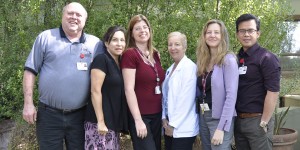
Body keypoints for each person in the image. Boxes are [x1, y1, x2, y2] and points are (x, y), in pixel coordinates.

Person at [22, 2, 101, 149]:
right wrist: (28, 103)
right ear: (62, 16)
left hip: (81, 116)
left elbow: (108, 74)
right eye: (70, 13)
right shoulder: (46, 37)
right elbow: (30, 70)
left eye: (79, 15)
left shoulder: (95, 44)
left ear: (85, 19)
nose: (74, 17)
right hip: (49, 116)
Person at [234, 14, 281, 150]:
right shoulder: (236, 59)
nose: (246, 34)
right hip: (239, 121)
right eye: (242, 31)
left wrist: (264, 122)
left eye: (251, 30)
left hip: (258, 121)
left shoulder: (267, 58)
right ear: (237, 34)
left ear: (258, 33)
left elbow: (273, 92)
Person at [121, 14, 165, 150]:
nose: (142, 31)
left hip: (157, 114)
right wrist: (138, 120)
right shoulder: (130, 54)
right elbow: (128, 89)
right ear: (132, 34)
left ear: (150, 30)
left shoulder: (155, 54)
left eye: (145, 27)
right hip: (141, 115)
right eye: (137, 29)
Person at [195, 19, 238, 150]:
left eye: (216, 32)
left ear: (222, 36)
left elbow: (231, 96)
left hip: (220, 118)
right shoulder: (203, 61)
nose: (212, 35)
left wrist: (221, 128)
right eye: (209, 32)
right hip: (204, 115)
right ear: (204, 36)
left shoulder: (228, 60)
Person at [84, 26, 128, 149]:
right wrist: (101, 121)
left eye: (122, 40)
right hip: (99, 124)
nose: (119, 44)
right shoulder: (101, 59)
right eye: (115, 40)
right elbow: (95, 91)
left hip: (112, 123)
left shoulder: (120, 63)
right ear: (107, 43)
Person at [162, 31, 199, 150]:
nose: (173, 48)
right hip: (168, 124)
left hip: (183, 128)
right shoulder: (169, 69)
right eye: (170, 44)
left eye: (177, 44)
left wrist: (172, 125)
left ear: (184, 47)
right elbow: (165, 97)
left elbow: (186, 101)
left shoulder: (190, 68)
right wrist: (163, 118)